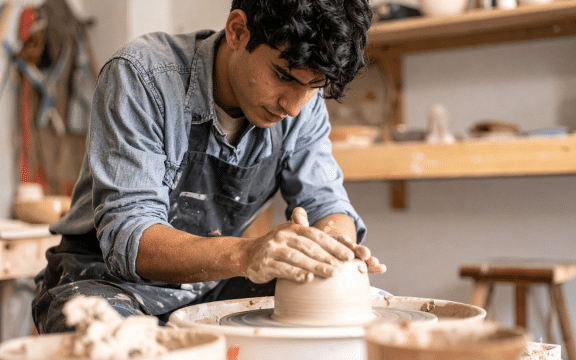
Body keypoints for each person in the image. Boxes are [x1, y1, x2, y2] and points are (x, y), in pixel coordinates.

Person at [32, 0, 386, 334]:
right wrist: (248, 253)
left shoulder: (302, 108)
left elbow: (326, 204)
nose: (293, 106)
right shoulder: (142, 74)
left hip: (209, 283)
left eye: (313, 87)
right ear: (237, 30)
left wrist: (334, 251)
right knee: (114, 342)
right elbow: (130, 235)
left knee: (341, 307)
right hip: (101, 280)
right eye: (284, 76)